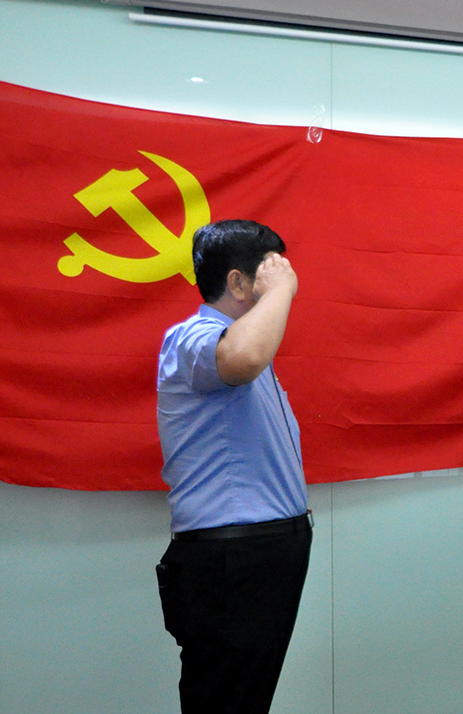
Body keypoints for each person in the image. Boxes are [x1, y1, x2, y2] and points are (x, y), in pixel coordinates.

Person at [155, 219, 311, 714]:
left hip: (261, 553)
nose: (284, 279)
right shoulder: (193, 337)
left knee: (245, 701)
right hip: (232, 558)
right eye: (270, 271)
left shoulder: (246, 339)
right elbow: (242, 358)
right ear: (239, 283)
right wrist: (280, 292)